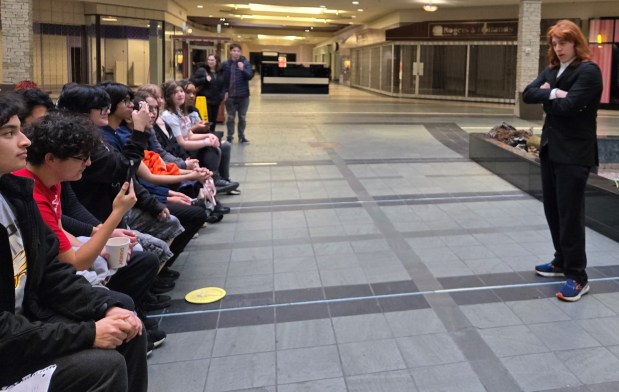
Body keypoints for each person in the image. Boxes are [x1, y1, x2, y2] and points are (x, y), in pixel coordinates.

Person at [0, 94, 147, 391]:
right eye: (9, 134)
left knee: (128, 323)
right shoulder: (31, 190)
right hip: (13, 341)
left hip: (32, 315)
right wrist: (89, 333)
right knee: (104, 366)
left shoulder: (17, 193)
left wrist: (107, 306)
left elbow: (51, 270)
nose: (24, 142)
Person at [523, 19, 603, 302]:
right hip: (550, 150)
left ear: (576, 43)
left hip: (574, 155)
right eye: (555, 44)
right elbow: (528, 93)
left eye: (563, 43)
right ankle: (560, 262)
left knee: (570, 214)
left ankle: (578, 276)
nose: (558, 49)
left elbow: (571, 108)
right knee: (554, 211)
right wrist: (553, 93)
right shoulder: (554, 70)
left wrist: (548, 99)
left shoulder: (589, 72)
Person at [222, 43, 253, 143]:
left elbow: (249, 76)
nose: (236, 53)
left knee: (242, 118)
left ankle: (241, 136)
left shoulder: (246, 63)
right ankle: (230, 136)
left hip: (243, 96)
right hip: (230, 96)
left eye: (238, 51)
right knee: (230, 117)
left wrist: (242, 69)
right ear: (230, 52)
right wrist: (225, 91)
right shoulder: (226, 64)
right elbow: (223, 79)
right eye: (234, 51)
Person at [191, 54, 225, 135]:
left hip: (216, 100)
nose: (210, 62)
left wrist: (221, 96)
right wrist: (204, 79)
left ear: (217, 61)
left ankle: (212, 135)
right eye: (209, 60)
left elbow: (223, 85)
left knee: (213, 120)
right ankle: (205, 135)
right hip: (205, 100)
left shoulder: (220, 72)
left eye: (212, 60)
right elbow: (193, 81)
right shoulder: (202, 70)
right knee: (206, 120)